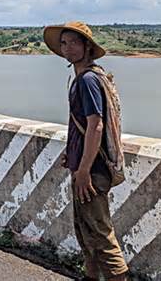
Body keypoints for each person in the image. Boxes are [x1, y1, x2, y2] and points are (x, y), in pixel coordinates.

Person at [43, 21, 129, 281]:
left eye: (73, 42)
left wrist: (83, 170)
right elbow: (82, 126)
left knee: (100, 234)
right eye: (64, 43)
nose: (67, 48)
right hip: (87, 166)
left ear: (87, 47)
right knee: (86, 233)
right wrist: (73, 153)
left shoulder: (88, 80)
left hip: (92, 171)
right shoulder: (87, 77)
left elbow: (96, 125)